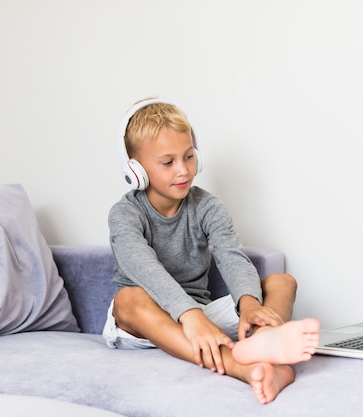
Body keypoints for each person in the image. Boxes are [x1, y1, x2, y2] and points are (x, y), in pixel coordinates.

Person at [102, 98, 320, 404]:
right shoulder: (124, 215)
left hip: (200, 317)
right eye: (168, 162)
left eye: (189, 156)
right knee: (127, 298)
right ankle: (241, 366)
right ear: (135, 170)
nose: (183, 170)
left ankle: (261, 343)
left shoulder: (207, 206)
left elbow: (232, 256)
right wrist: (188, 315)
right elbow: (143, 267)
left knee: (282, 282)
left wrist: (249, 305)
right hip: (146, 325)